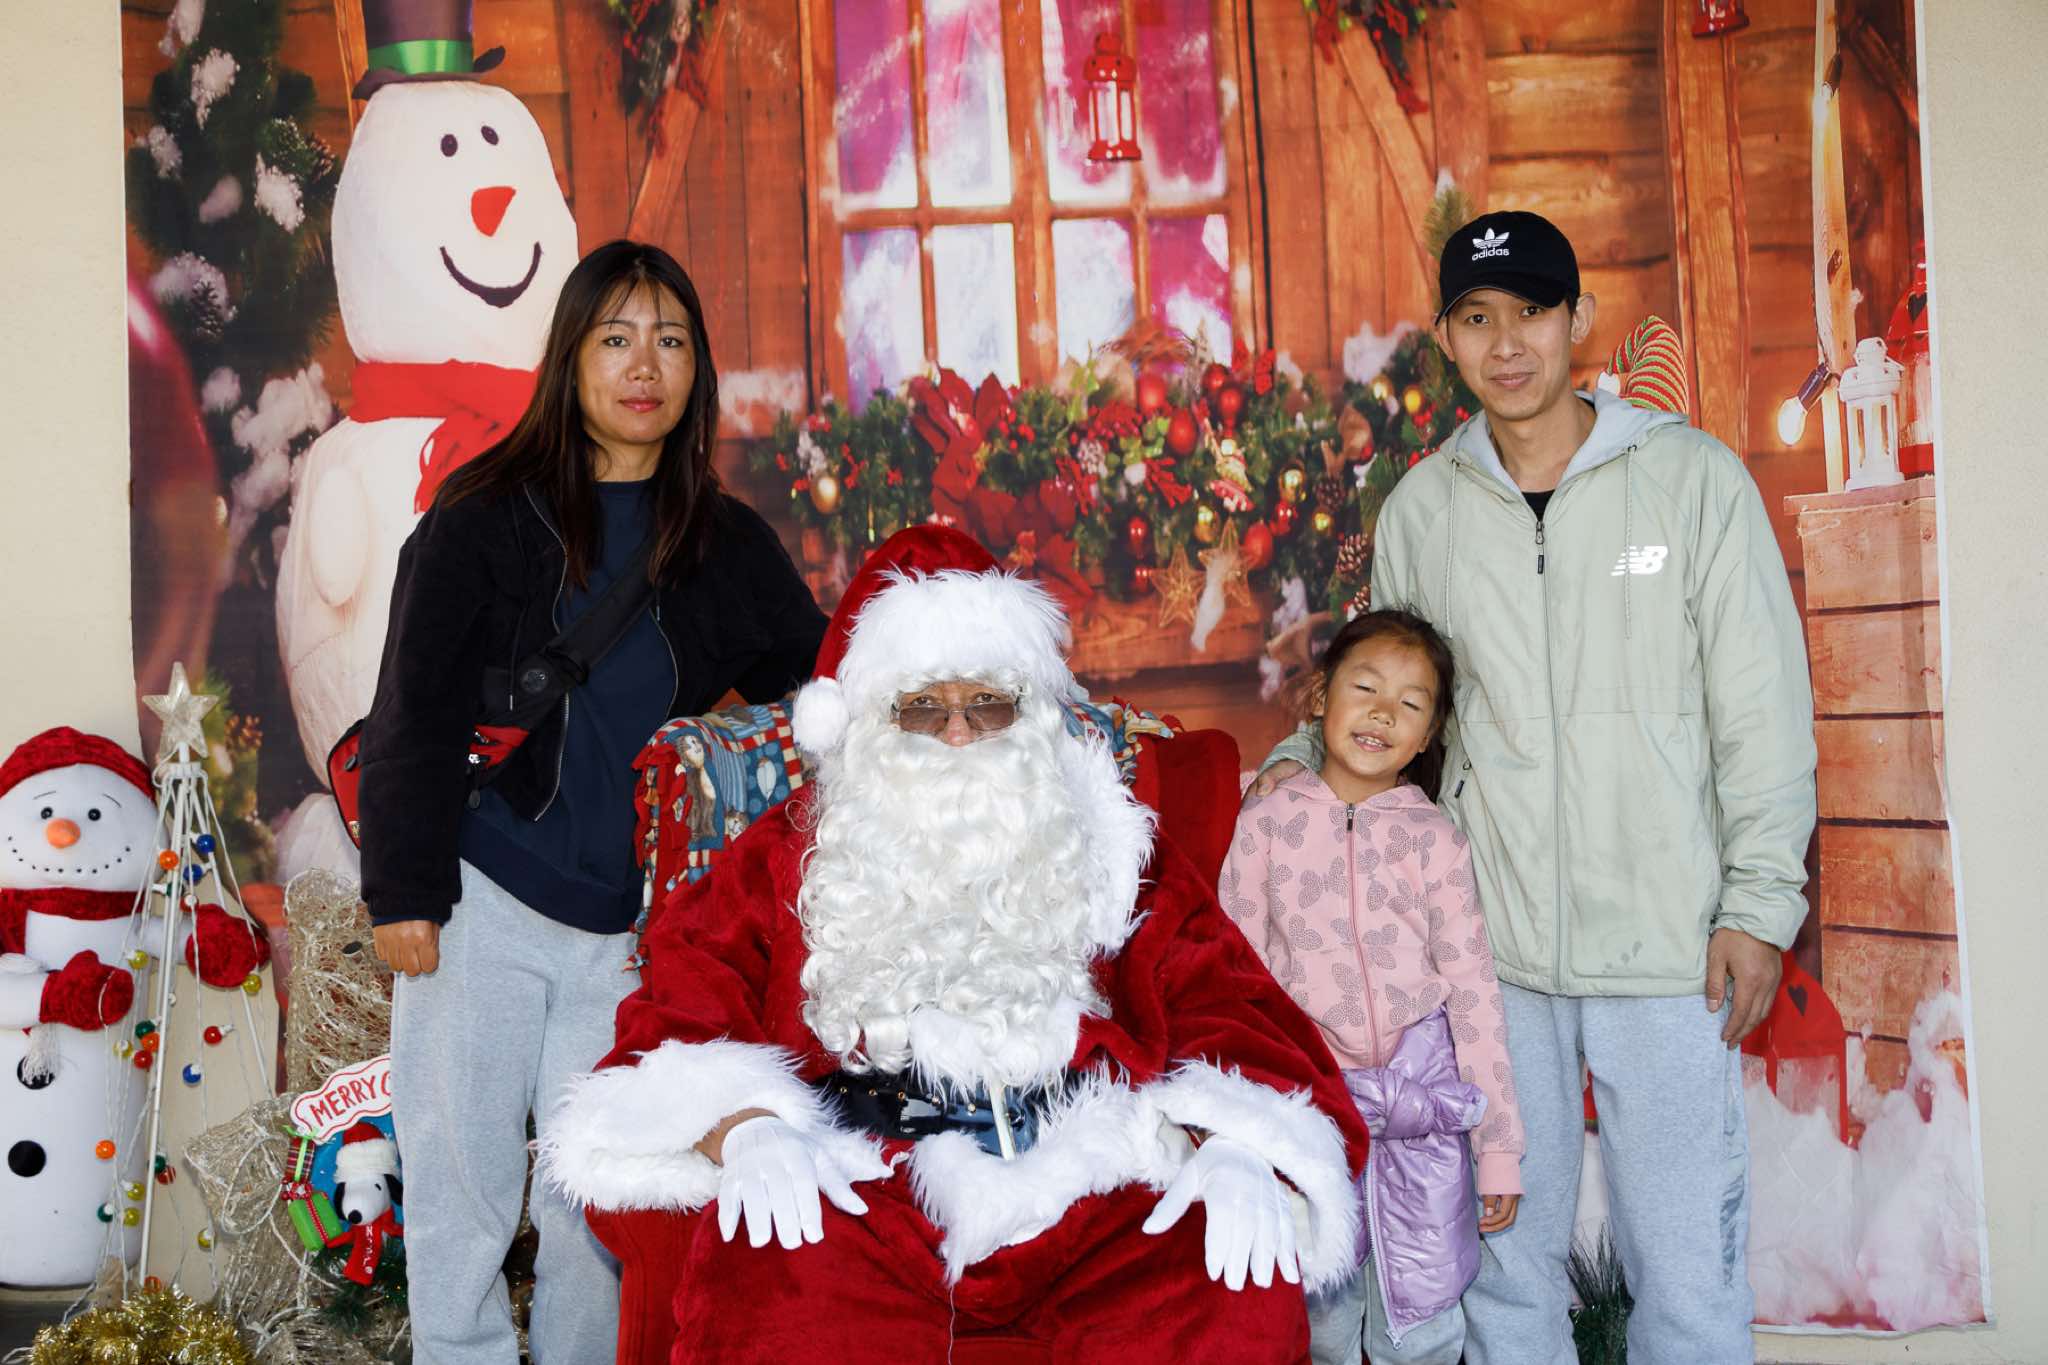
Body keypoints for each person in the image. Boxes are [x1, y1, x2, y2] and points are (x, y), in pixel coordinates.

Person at [534, 527, 1371, 1365]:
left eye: (988, 703)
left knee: (1231, 1288)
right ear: (870, 720)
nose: (961, 733)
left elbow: (1230, 1001)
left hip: (1095, 1182)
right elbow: (681, 1002)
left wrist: (1236, 1142)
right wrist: (743, 1125)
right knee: (766, 1284)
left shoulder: (1113, 846)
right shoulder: (790, 853)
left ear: (1029, 712)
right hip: (864, 1188)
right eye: (924, 707)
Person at [1255, 210, 1816, 1364]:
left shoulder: (1691, 482)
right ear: (1446, 340)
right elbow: (1388, 704)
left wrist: (1759, 906)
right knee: (1507, 1278)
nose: (1505, 343)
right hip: (1486, 959)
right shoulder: (1423, 510)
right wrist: (1291, 767)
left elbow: (1760, 709)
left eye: (1530, 313)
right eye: (1476, 318)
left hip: (1669, 951)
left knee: (1687, 1276)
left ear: (1576, 320)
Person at [358, 239, 828, 1364]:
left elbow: (822, 686)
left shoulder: (723, 542)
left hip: (628, 930)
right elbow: (413, 705)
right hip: (480, 898)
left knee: (597, 1202)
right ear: (570, 357)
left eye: (670, 340)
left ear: (696, 369)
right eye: (616, 338)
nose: (643, 366)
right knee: (461, 1179)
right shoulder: (483, 516)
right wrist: (404, 893)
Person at [1225, 609, 1522, 1365]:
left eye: (1410, 703)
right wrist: (1239, 1120)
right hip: (1311, 1107)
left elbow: (1474, 997)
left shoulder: (1437, 842)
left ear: (1428, 737)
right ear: (1321, 695)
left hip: (1420, 1116)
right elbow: (1235, 979)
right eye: (1365, 688)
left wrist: (1497, 1151)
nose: (1384, 712)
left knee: (1421, 1321)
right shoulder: (1266, 822)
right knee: (1317, 1319)